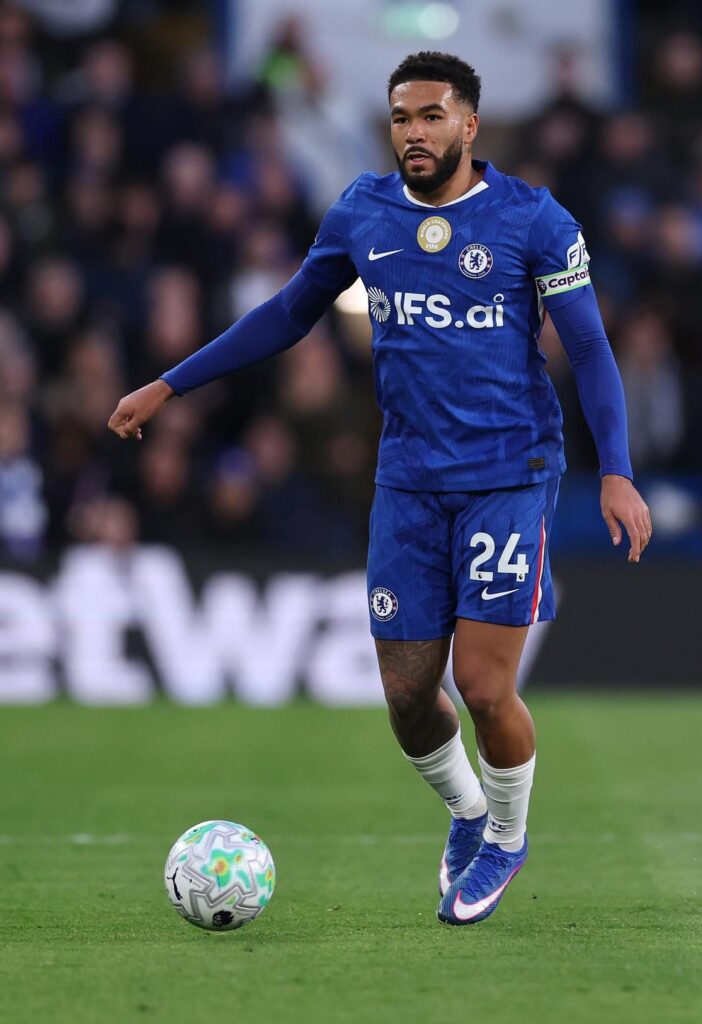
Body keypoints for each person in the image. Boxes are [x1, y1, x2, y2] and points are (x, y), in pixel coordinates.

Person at [108, 52, 652, 926]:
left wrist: (617, 470)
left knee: (481, 687)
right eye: (402, 118)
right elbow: (289, 314)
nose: (415, 133)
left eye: (432, 116)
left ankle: (507, 838)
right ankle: (468, 814)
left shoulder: (532, 219)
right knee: (406, 700)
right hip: (407, 480)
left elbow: (587, 347)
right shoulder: (363, 211)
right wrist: (169, 383)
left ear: (469, 125)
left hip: (510, 476)